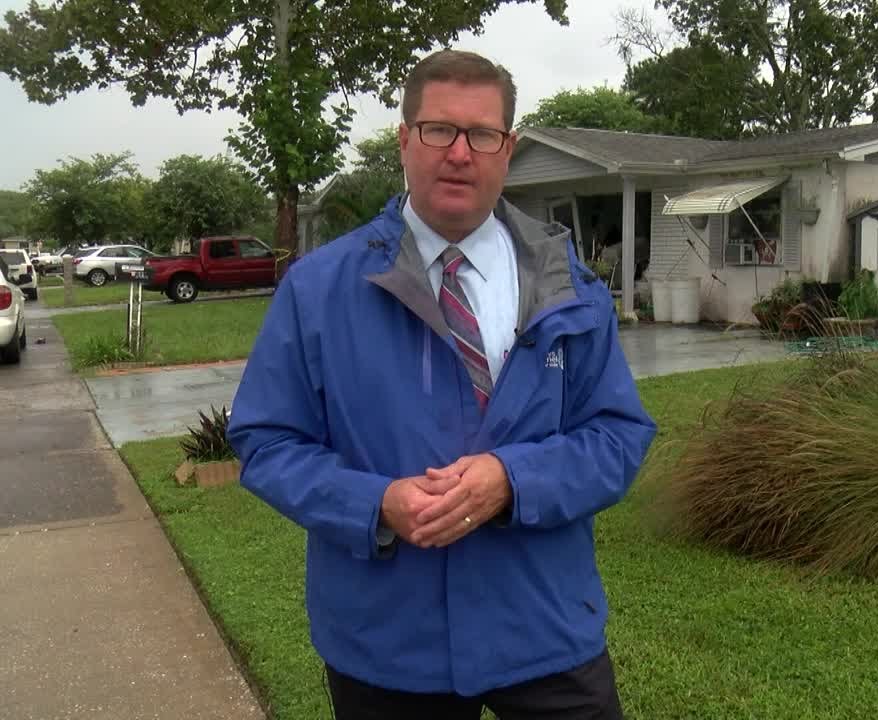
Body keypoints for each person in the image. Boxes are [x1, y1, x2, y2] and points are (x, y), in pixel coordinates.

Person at [227, 49, 657, 719]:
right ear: (404, 139)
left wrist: (512, 480)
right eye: (438, 130)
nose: (459, 153)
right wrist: (377, 503)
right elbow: (266, 441)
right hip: (389, 643)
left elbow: (617, 435)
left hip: (543, 627)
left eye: (481, 134)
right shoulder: (319, 290)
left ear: (508, 148)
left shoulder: (567, 285)